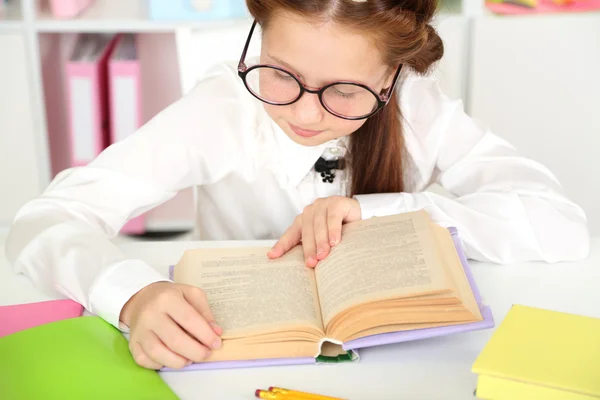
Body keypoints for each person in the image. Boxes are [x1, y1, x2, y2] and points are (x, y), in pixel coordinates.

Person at [5, 0, 589, 370]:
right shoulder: (221, 107)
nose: (306, 114)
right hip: (235, 360)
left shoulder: (419, 108)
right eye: (281, 73)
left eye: (344, 90)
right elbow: (45, 217)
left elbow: (561, 225)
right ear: (255, 39)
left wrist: (387, 211)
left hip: (402, 357)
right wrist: (129, 293)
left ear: (392, 76)